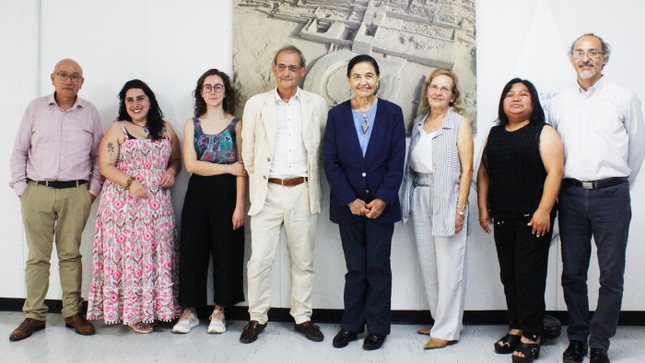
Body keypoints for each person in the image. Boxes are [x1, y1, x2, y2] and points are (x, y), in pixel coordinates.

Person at [548, 34, 645, 363]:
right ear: (571, 58)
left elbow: (637, 149)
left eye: (593, 53)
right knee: (573, 273)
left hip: (612, 196)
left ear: (605, 58)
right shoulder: (559, 102)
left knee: (611, 273)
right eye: (579, 52)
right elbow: (553, 152)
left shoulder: (624, 97)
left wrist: (617, 187)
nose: (586, 58)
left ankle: (600, 341)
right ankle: (577, 337)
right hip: (571, 195)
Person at [9, 59, 103, 341]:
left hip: (76, 193)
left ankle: (72, 312)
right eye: (63, 75)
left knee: (70, 254)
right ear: (53, 78)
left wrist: (91, 192)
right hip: (37, 191)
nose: (68, 80)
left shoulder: (90, 112)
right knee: (37, 256)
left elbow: (98, 157)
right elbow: (19, 150)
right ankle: (34, 315)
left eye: (75, 76)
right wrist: (21, 189)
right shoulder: (36, 109)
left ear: (82, 82)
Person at [240, 45, 328, 344]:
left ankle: (303, 317)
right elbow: (249, 152)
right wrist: (260, 182)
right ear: (274, 69)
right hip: (267, 192)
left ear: (302, 71)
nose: (287, 72)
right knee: (259, 261)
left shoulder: (317, 104)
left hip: (302, 191)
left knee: (302, 261)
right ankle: (256, 317)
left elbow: (324, 150)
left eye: (293, 67)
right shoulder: (256, 104)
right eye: (281, 67)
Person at [478, 78, 564, 363]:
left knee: (529, 277)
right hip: (502, 216)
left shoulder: (544, 131)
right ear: (503, 102)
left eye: (523, 94)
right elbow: (485, 172)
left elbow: (555, 172)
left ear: (533, 101)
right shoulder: (495, 132)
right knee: (510, 275)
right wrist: (482, 208)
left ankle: (532, 335)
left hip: (533, 218)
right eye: (510, 94)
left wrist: (543, 210)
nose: (516, 98)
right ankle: (515, 327)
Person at [86, 79, 182, 333]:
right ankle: (131, 314)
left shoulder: (165, 128)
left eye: (140, 98)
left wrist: (172, 171)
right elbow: (106, 166)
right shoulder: (118, 129)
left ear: (150, 101)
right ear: (124, 104)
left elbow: (176, 158)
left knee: (156, 256)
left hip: (157, 206)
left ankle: (158, 309)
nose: (135, 104)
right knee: (128, 258)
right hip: (123, 206)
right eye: (129, 99)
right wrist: (130, 183)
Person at [323, 54, 406, 351]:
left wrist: (383, 198)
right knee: (355, 268)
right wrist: (350, 200)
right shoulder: (337, 115)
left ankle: (378, 328)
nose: (363, 81)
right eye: (357, 76)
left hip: (382, 207)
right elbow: (330, 163)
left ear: (378, 78)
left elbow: (398, 161)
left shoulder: (393, 113)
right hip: (349, 207)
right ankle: (352, 325)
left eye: (369, 75)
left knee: (379, 268)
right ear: (348, 80)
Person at [400, 69, 474, 349]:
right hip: (420, 195)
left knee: (449, 265)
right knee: (429, 265)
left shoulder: (459, 123)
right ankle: (439, 321)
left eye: (445, 88)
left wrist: (460, 209)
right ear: (427, 90)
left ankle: (447, 330)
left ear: (453, 96)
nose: (438, 92)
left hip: (448, 197)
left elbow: (467, 170)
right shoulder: (420, 122)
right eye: (434, 86)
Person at [172, 69, 247, 334]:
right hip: (199, 191)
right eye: (207, 87)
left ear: (225, 91)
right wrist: (227, 168)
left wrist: (240, 206)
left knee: (227, 250)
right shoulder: (192, 124)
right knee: (193, 249)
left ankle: (220, 310)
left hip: (228, 194)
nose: (213, 91)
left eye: (218, 87)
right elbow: (192, 165)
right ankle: (190, 310)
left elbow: (243, 169)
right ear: (200, 92)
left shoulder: (236, 124)